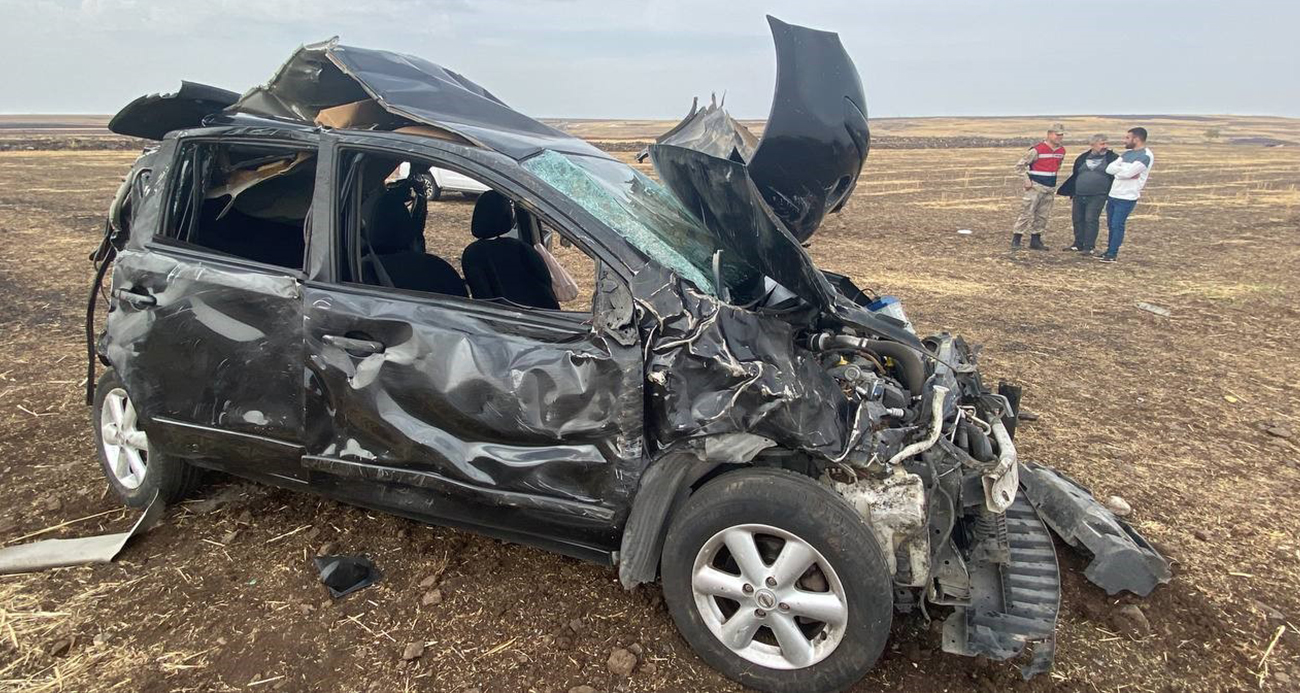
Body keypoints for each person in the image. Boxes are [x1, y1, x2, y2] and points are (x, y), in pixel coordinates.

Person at [1057, 134, 1119, 254]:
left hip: (1098, 195)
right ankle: (1078, 244)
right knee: (1077, 219)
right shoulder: (1082, 158)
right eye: (1102, 144)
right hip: (1079, 194)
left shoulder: (1112, 158)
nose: (1105, 146)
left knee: (1091, 219)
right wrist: (1072, 191)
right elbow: (1075, 174)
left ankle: (1089, 247)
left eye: (1106, 143)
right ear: (1092, 145)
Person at [1099, 127, 1154, 262]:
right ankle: (1109, 250)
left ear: (1137, 139)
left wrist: (1120, 172)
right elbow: (1109, 169)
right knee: (1111, 225)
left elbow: (1127, 174)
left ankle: (1112, 253)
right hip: (1114, 194)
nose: (1125, 140)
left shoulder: (1145, 156)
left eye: (1128, 138)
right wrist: (1123, 171)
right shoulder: (1127, 154)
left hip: (1127, 197)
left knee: (1117, 224)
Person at [1011, 123, 1067, 250]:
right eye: (1057, 134)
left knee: (1043, 215)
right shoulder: (1037, 150)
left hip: (1050, 187)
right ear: (1049, 134)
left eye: (1061, 135)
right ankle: (1016, 239)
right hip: (1035, 187)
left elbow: (1057, 166)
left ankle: (1035, 240)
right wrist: (1027, 180)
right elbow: (1020, 166)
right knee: (1026, 212)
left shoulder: (1061, 151)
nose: (1060, 137)